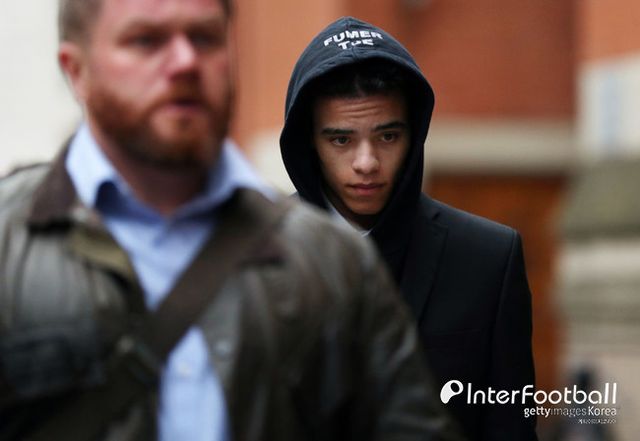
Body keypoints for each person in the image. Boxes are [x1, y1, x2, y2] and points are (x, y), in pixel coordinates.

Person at [0, 2, 464, 441]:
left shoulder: (332, 261)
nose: (185, 61)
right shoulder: (9, 244)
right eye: (146, 40)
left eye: (204, 37)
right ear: (76, 71)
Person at [280, 16, 537, 441]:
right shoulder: (255, 254)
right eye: (341, 140)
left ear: (414, 136)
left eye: (387, 137)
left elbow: (511, 428)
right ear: (309, 143)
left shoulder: (488, 260)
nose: (366, 162)